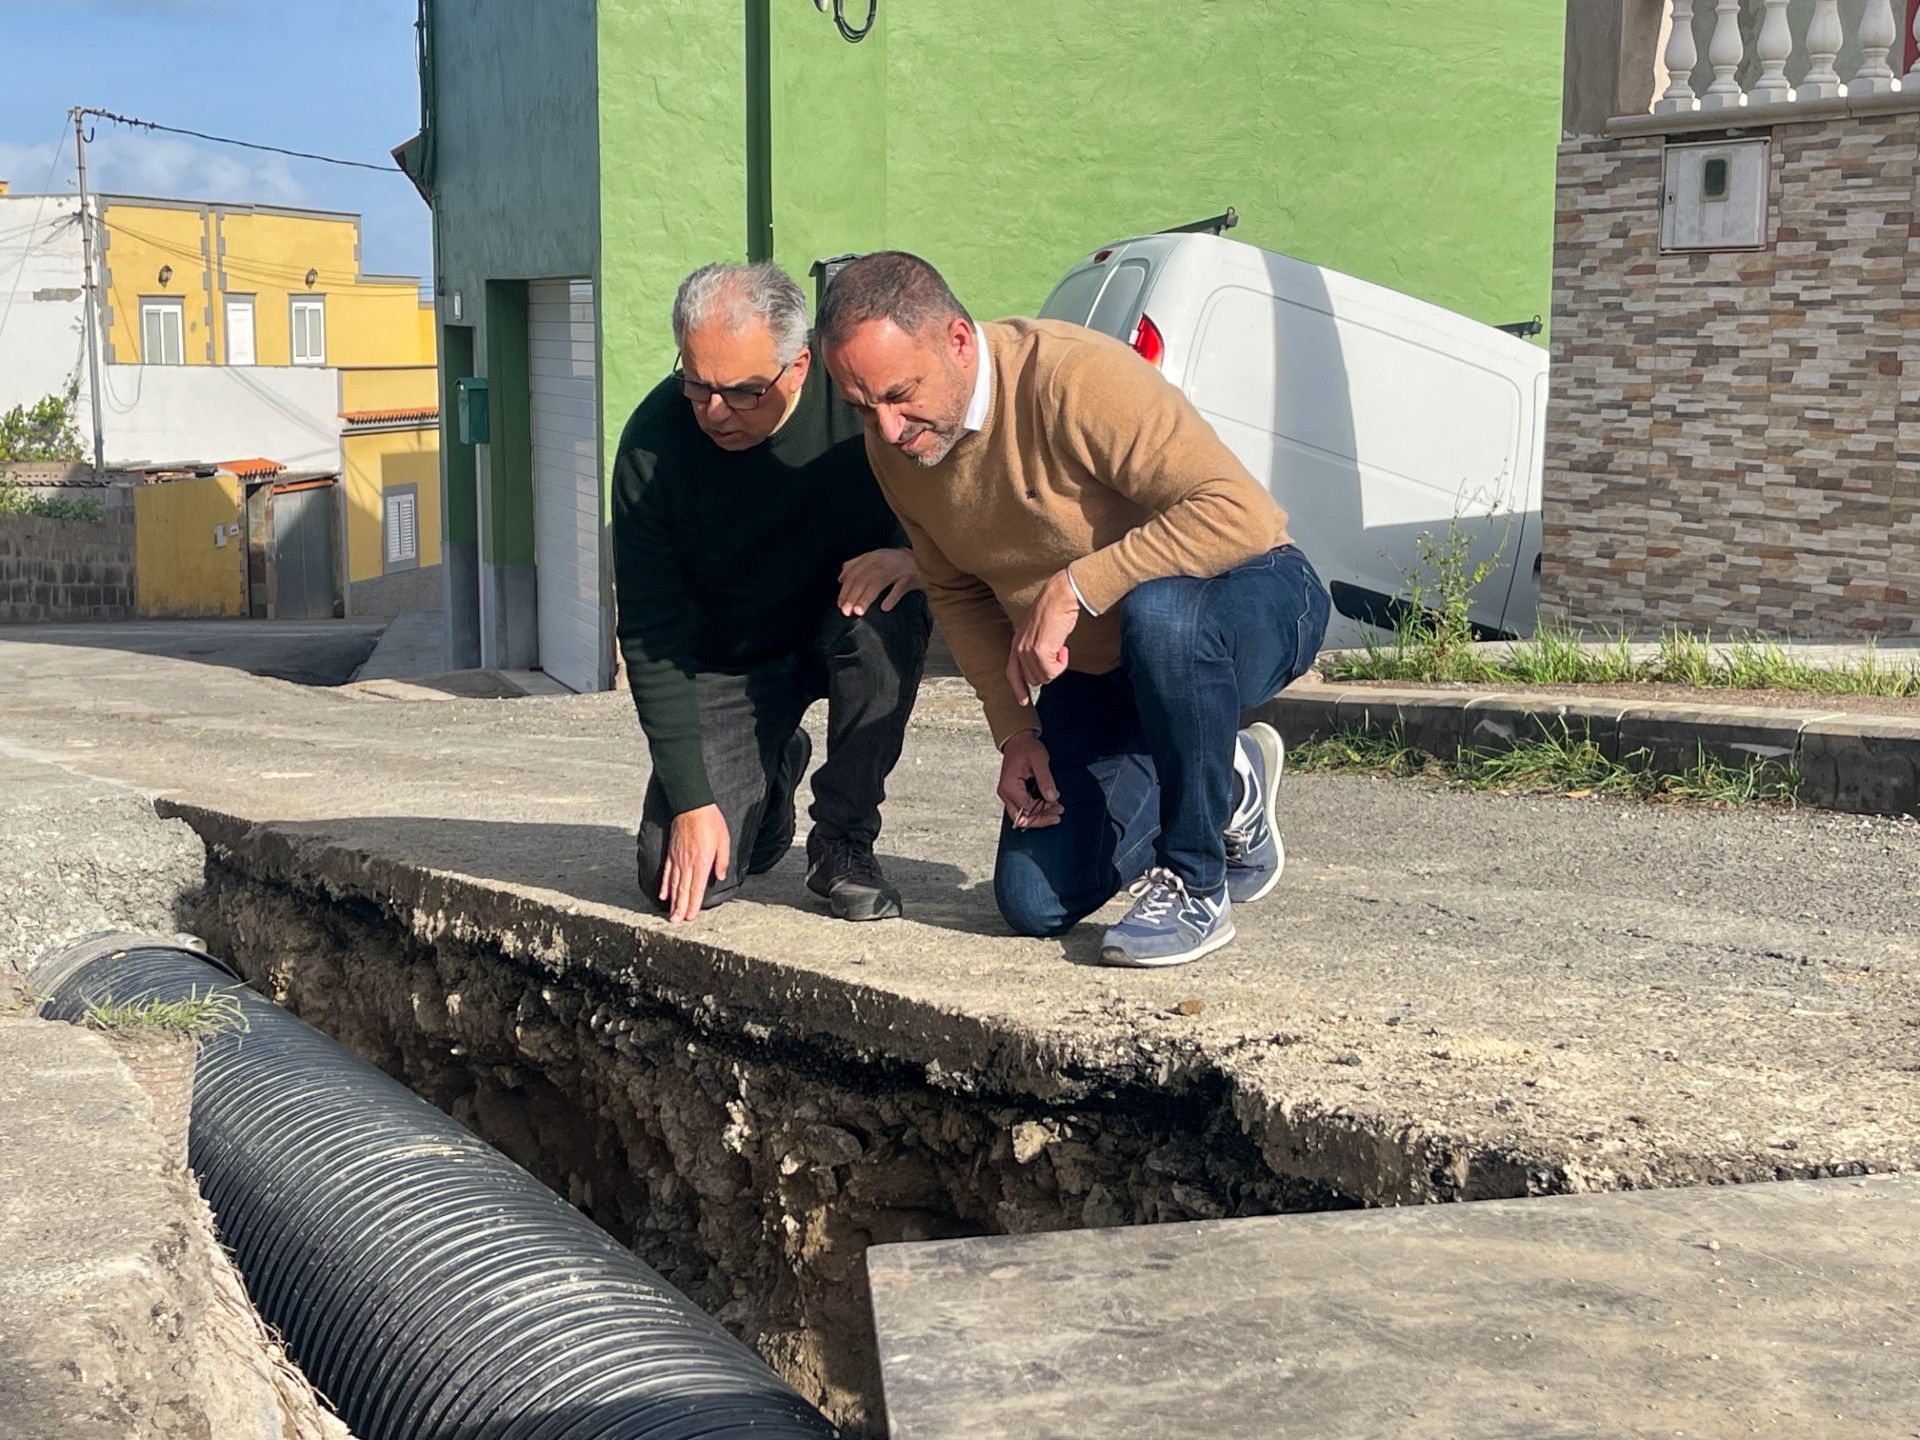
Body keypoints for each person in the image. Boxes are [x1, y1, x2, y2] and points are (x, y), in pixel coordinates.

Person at [817, 252, 1330, 967]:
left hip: (1255, 598)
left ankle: (1195, 879)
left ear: (959, 341)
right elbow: (959, 591)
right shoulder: (894, 445)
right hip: (1104, 673)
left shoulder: (1071, 377)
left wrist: (1078, 585)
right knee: (1032, 902)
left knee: (1163, 618)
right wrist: (1015, 733)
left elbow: (1240, 515)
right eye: (863, 406)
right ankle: (1229, 775)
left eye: (902, 394)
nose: (890, 428)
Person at [613, 261, 930, 924]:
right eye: (697, 385)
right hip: (730, 662)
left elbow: (962, 502)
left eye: (743, 391)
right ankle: (774, 765)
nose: (716, 412)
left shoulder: (863, 406)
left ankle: (843, 841)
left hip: (839, 627)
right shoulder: (653, 444)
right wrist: (692, 802)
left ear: (799, 365)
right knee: (674, 879)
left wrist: (917, 556)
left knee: (889, 611)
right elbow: (649, 633)